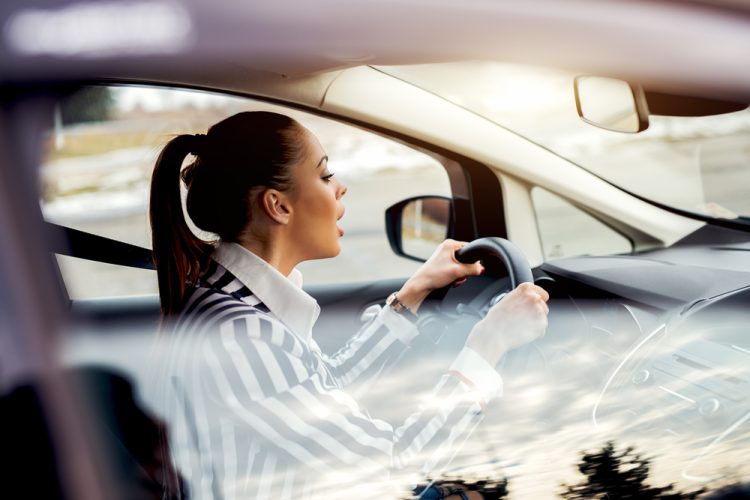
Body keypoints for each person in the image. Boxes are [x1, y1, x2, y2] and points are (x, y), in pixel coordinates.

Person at [149, 111, 549, 499]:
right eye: (324, 175)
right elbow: (395, 468)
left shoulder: (231, 297)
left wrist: (414, 292)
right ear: (278, 205)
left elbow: (323, 384)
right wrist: (488, 345)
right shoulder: (242, 335)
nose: (340, 187)